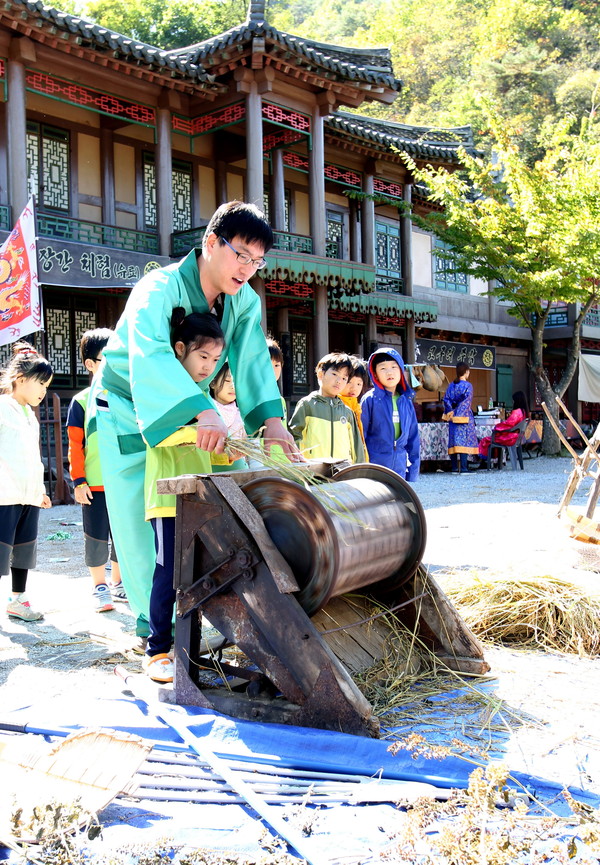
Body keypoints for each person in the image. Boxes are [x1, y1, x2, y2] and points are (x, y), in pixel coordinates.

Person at [92, 201, 296, 652]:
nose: (247, 268)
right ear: (210, 242)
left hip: (195, 410)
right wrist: (198, 409)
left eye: (257, 260)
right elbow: (151, 353)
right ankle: (155, 636)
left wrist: (274, 422)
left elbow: (252, 360)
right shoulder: (158, 288)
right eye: (240, 253)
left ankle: (207, 616)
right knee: (145, 524)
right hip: (127, 406)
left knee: (215, 505)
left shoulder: (243, 300)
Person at [143, 309, 226, 683]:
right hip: (166, 497)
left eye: (214, 359)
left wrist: (228, 450)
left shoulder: (203, 395)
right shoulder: (161, 387)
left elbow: (205, 450)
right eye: (202, 357)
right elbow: (154, 435)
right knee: (168, 572)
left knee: (198, 572)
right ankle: (156, 648)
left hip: (196, 498)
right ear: (180, 350)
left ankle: (186, 644)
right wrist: (201, 432)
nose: (209, 366)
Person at [66, 329, 125, 613]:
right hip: (95, 483)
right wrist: (79, 480)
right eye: (108, 358)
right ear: (90, 364)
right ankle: (99, 585)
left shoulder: (125, 397)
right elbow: (75, 445)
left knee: (122, 534)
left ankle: (119, 581)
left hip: (122, 481)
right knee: (96, 535)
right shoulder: (80, 401)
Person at [0, 342, 53, 621]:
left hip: (27, 495)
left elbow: (33, 458)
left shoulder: (30, 417)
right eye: (41, 383)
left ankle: (18, 600)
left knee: (23, 550)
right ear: (21, 380)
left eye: (47, 385)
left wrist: (40, 490)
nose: (44, 391)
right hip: (4, 494)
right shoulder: (2, 408)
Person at [289, 352, 365, 463]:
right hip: (313, 471)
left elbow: (356, 447)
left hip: (343, 471)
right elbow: (294, 437)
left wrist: (359, 472)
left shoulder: (347, 412)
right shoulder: (307, 405)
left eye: (344, 378)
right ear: (321, 374)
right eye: (335, 374)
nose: (339, 381)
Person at [361, 347, 420, 481]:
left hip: (399, 467)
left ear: (401, 371)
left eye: (394, 367)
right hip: (375, 467)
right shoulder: (370, 400)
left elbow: (413, 438)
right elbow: (361, 438)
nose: (389, 372)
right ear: (374, 374)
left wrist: (413, 471)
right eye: (383, 368)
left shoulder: (406, 401)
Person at [209, 363, 248, 470]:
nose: (233, 386)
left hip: (240, 473)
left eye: (237, 382)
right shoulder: (206, 413)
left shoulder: (242, 415)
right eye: (227, 381)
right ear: (212, 382)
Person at [442, 361, 479, 473]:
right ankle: (463, 468)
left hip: (452, 416)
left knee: (454, 441)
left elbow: (446, 399)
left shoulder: (451, 385)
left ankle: (454, 467)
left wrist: (451, 412)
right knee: (463, 441)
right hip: (464, 417)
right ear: (466, 372)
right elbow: (466, 403)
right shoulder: (468, 386)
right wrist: (459, 413)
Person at [478, 391, 529, 460]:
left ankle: (484, 461)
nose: (512, 402)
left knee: (485, 440)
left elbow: (508, 424)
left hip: (509, 438)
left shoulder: (517, 412)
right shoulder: (524, 412)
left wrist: (497, 427)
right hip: (515, 437)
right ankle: (495, 462)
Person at [340, 355, 370, 461]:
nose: (354, 388)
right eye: (349, 382)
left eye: (359, 384)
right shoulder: (336, 405)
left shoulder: (357, 407)